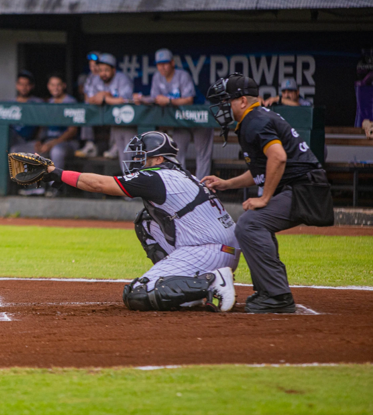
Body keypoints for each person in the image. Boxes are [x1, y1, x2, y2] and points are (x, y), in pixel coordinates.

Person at [38, 131, 238, 312]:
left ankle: (211, 282)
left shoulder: (156, 176)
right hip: (220, 248)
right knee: (146, 223)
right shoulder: (181, 175)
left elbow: (99, 184)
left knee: (137, 293)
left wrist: (57, 173)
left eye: (144, 156)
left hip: (209, 251)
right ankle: (189, 288)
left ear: (159, 158)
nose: (138, 160)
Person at [203, 74, 331, 314]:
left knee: (249, 224)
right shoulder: (255, 117)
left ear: (242, 101)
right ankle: (269, 292)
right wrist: (227, 183)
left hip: (306, 188)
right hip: (305, 186)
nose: (223, 107)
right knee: (255, 222)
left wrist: (264, 198)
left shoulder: (254, 120)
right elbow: (263, 171)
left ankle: (277, 296)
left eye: (226, 100)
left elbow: (278, 157)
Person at [135, 48, 212, 181]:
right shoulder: (157, 77)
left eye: (165, 63)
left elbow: (189, 100)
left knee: (202, 154)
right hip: (181, 119)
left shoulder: (182, 75)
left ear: (172, 63)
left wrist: (169, 100)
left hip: (199, 116)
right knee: (177, 152)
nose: (162, 67)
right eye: (159, 64)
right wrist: (142, 99)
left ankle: (203, 187)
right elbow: (155, 98)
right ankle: (181, 184)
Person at [96, 53, 133, 164]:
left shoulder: (122, 79)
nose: (103, 73)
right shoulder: (98, 80)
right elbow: (91, 99)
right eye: (101, 70)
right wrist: (108, 97)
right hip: (114, 122)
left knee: (130, 156)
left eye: (106, 70)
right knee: (123, 159)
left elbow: (124, 100)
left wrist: (105, 98)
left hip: (128, 122)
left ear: (114, 70)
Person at [77, 52, 103, 158]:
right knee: (84, 112)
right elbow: (86, 94)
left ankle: (93, 144)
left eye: (96, 65)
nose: (94, 68)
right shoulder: (90, 77)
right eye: (91, 65)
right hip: (91, 108)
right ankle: (89, 144)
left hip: (104, 108)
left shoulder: (104, 77)